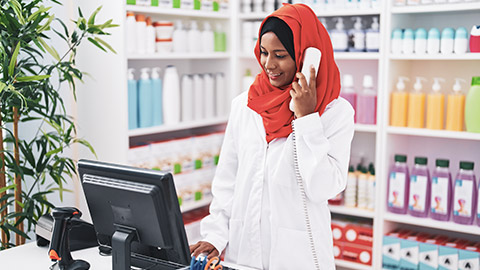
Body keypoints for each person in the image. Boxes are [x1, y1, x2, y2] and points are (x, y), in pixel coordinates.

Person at [190, 3, 354, 270]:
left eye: (280, 55)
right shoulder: (245, 104)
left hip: (297, 258)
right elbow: (227, 182)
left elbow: (325, 187)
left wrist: (307, 119)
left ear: (306, 56)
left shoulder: (336, 113)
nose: (269, 64)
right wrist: (215, 237)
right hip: (241, 255)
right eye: (264, 53)